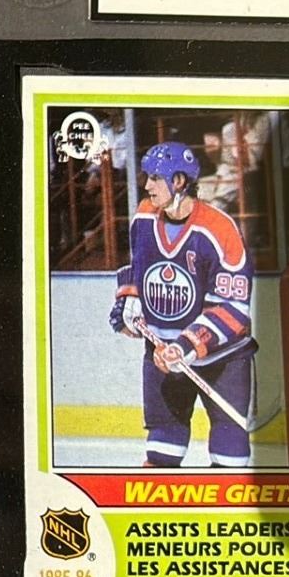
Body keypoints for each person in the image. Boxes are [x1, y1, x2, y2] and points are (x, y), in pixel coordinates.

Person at [109, 142, 256, 467]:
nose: (147, 186)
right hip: (162, 354)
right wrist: (129, 300)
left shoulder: (220, 230)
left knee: (229, 454)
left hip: (223, 360)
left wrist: (187, 344)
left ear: (178, 181)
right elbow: (139, 266)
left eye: (154, 178)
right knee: (162, 451)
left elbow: (233, 309)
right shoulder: (144, 216)